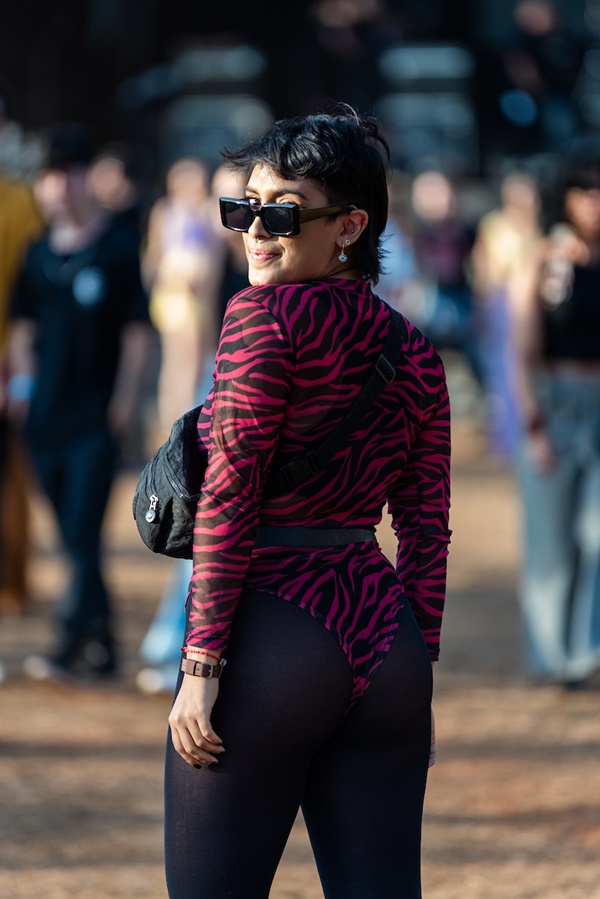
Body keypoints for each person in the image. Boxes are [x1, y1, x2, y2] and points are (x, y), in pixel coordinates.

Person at [164, 110, 451, 899]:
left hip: (273, 633)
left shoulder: (262, 319)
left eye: (282, 210)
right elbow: (425, 532)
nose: (255, 230)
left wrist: (200, 663)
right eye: (244, 206)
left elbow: (230, 494)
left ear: (351, 225)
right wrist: (417, 671)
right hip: (383, 643)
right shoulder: (417, 350)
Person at [7, 123, 152, 682]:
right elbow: (22, 328)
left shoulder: (115, 247)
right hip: (43, 418)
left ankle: (83, 643)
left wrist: (125, 401)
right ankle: (95, 640)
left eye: (68, 173)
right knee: (70, 534)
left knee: (84, 529)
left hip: (95, 416)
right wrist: (22, 389)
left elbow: (136, 333)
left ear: (86, 177)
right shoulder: (38, 253)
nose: (59, 187)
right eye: (49, 175)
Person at [514, 140, 600, 688]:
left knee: (598, 535)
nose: (594, 200)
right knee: (550, 541)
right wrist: (533, 425)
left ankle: (587, 652)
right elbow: (521, 352)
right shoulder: (542, 259)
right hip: (555, 405)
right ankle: (551, 657)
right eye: (584, 190)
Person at [471, 166, 542, 460]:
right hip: (501, 303)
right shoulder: (494, 224)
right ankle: (505, 439)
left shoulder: (538, 227)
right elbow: (482, 267)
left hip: (530, 304)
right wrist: (485, 303)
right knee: (502, 370)